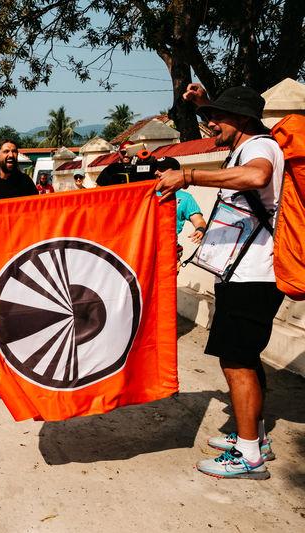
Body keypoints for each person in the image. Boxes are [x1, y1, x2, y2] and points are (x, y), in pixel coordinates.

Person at [156, 84, 284, 480]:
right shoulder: (249, 143)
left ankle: (249, 456)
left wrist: (189, 175)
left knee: (237, 362)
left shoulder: (259, 147)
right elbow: (230, 132)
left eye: (218, 118)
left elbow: (257, 175)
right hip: (243, 272)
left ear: (243, 120)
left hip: (252, 275)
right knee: (246, 358)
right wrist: (204, 102)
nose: (211, 124)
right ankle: (255, 437)